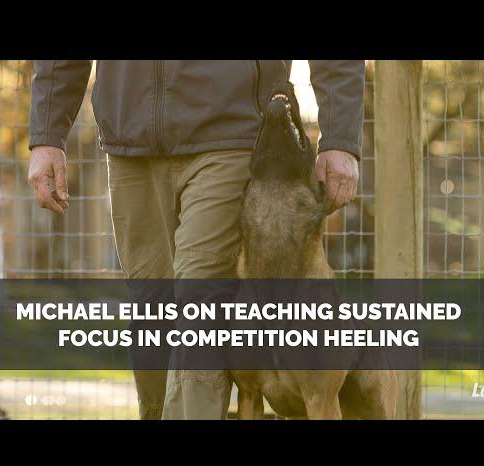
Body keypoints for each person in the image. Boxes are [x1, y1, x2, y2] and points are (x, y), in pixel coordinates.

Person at [27, 60, 365, 419]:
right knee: (153, 315)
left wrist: (340, 138)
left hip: (231, 132)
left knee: (199, 306)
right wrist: (47, 134)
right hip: (130, 140)